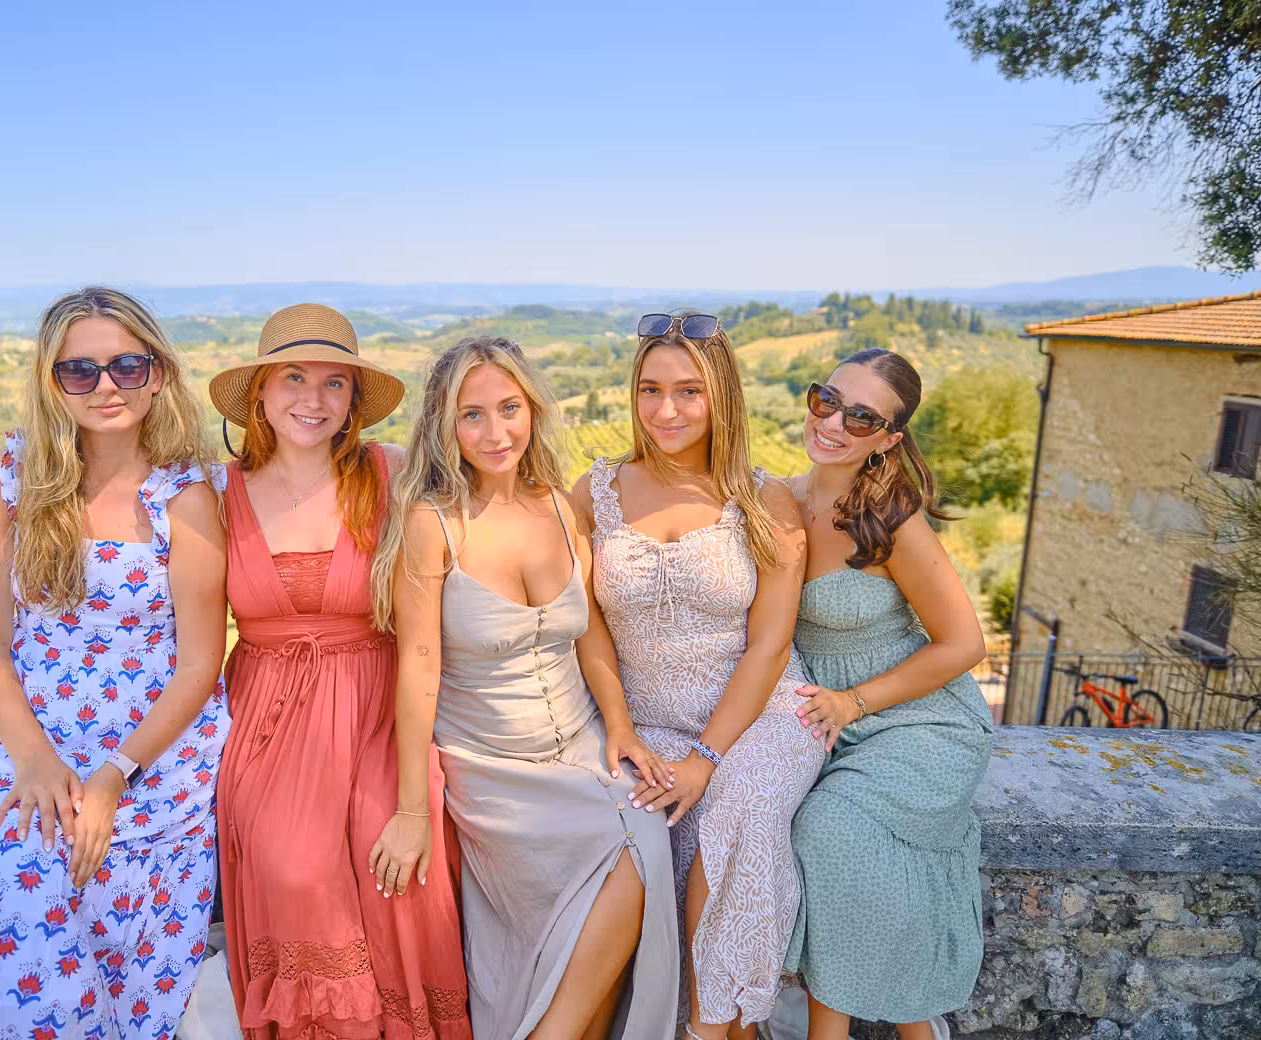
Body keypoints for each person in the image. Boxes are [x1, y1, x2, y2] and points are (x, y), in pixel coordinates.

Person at [368, 336, 680, 1040]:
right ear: (445, 426)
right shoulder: (432, 524)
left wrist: (621, 728)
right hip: (492, 767)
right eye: (471, 415)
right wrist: (413, 811)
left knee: (642, 836)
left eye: (509, 408)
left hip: (583, 743)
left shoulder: (561, 509)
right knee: (625, 853)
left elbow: (589, 634)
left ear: (532, 410)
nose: (495, 432)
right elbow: (417, 668)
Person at [0, 286, 229, 1038]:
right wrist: (34, 759)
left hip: (150, 740)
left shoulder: (185, 496)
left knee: (112, 876)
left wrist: (113, 776)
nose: (106, 386)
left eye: (127, 366)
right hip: (28, 725)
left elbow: (200, 662)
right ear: (51, 380)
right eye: (80, 370)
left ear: (157, 374)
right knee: (18, 863)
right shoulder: (9, 476)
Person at [210, 303, 471, 1040]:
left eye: (334, 383)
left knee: (404, 864)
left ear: (354, 401)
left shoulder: (391, 476)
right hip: (268, 719)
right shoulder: (215, 494)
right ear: (260, 391)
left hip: (381, 708)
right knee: (293, 870)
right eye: (294, 378)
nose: (313, 399)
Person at [571, 312, 824, 1039]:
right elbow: (588, 625)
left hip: (761, 715)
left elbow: (769, 646)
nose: (667, 410)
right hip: (646, 719)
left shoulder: (764, 501)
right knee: (630, 825)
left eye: (689, 391)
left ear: (722, 398)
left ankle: (708, 1029)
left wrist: (706, 759)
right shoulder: (595, 491)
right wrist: (620, 726)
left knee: (735, 806)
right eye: (650, 390)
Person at [783, 348, 995, 1040]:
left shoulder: (891, 520)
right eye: (827, 400)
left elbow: (964, 644)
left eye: (861, 417)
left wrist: (855, 702)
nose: (833, 423)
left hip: (916, 721)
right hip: (825, 719)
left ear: (888, 438)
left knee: (829, 828)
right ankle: (916, 1028)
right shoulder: (777, 498)